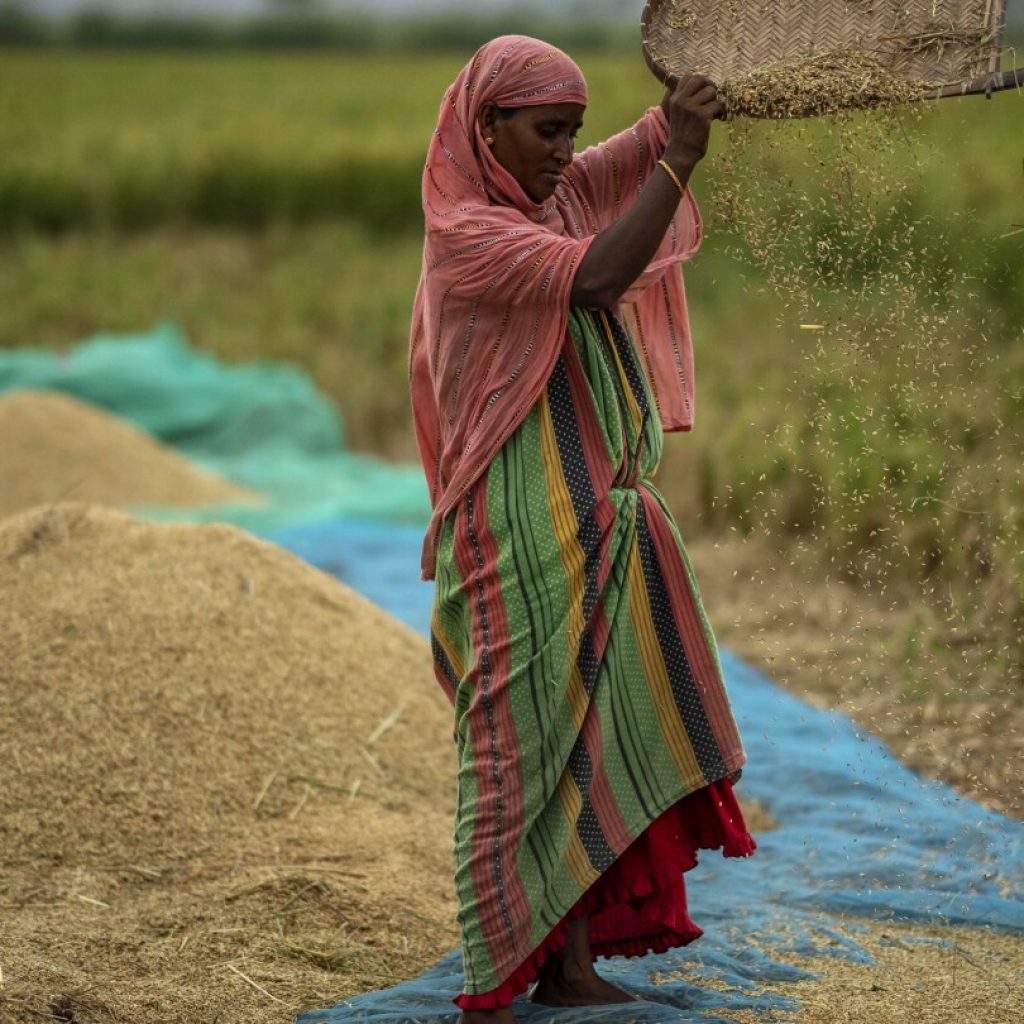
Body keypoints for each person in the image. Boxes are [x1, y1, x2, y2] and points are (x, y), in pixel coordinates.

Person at [409, 35, 755, 1023]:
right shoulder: (469, 233)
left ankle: (567, 965)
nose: (567, 151)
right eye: (545, 131)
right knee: (515, 749)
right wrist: (678, 159)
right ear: (485, 128)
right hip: (513, 528)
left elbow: (632, 154)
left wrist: (686, 115)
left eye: (571, 130)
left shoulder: (548, 194)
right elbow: (599, 275)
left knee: (586, 739)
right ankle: (496, 970)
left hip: (585, 510)